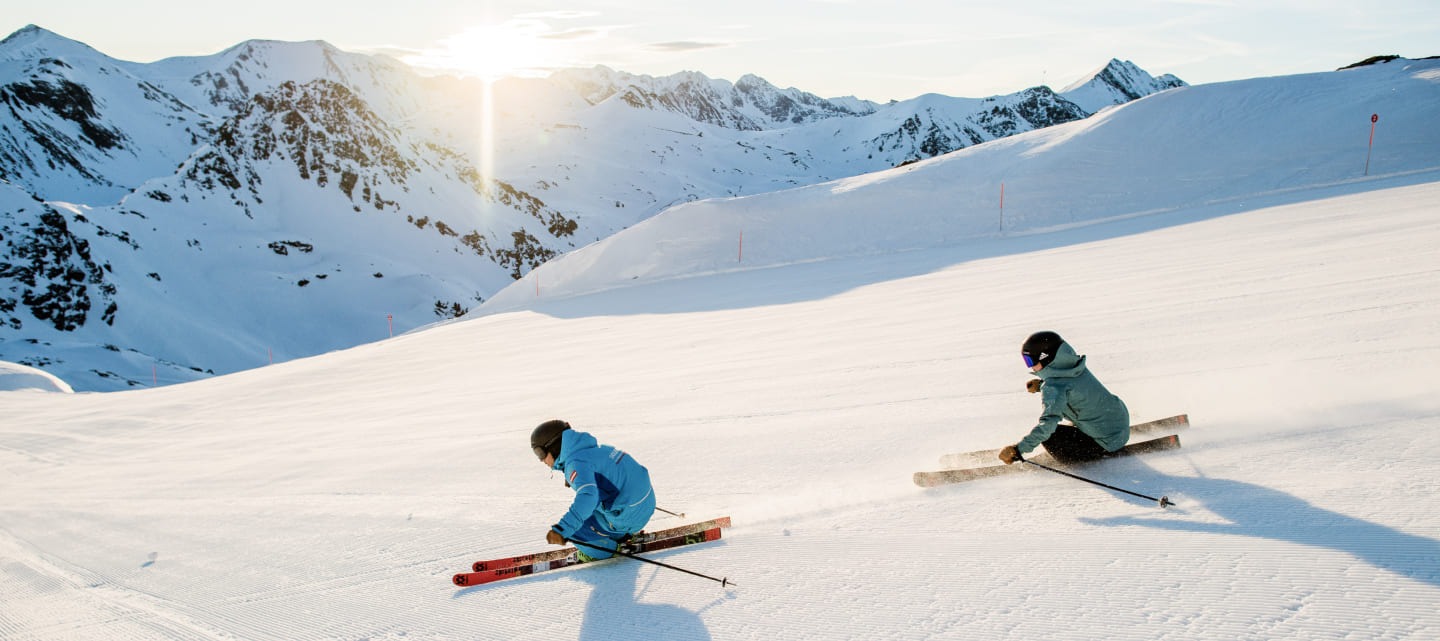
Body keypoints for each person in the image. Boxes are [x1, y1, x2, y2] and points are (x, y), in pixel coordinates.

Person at [531, 419, 656, 561]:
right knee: (590, 511)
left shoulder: (576, 464)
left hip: (629, 516)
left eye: (540, 453)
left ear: (553, 446)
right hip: (645, 503)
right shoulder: (594, 451)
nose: (541, 460)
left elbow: (588, 497)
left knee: (574, 532)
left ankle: (608, 550)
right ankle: (619, 533)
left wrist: (563, 530)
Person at [999, 331, 1130, 465]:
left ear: (1046, 358)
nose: (1030, 366)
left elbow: (1048, 424)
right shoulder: (1073, 366)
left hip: (1107, 443)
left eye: (1030, 360)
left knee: (1050, 436)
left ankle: (1099, 454)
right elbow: (1072, 387)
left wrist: (1018, 450)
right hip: (1120, 422)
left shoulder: (1053, 387)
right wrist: (1041, 386)